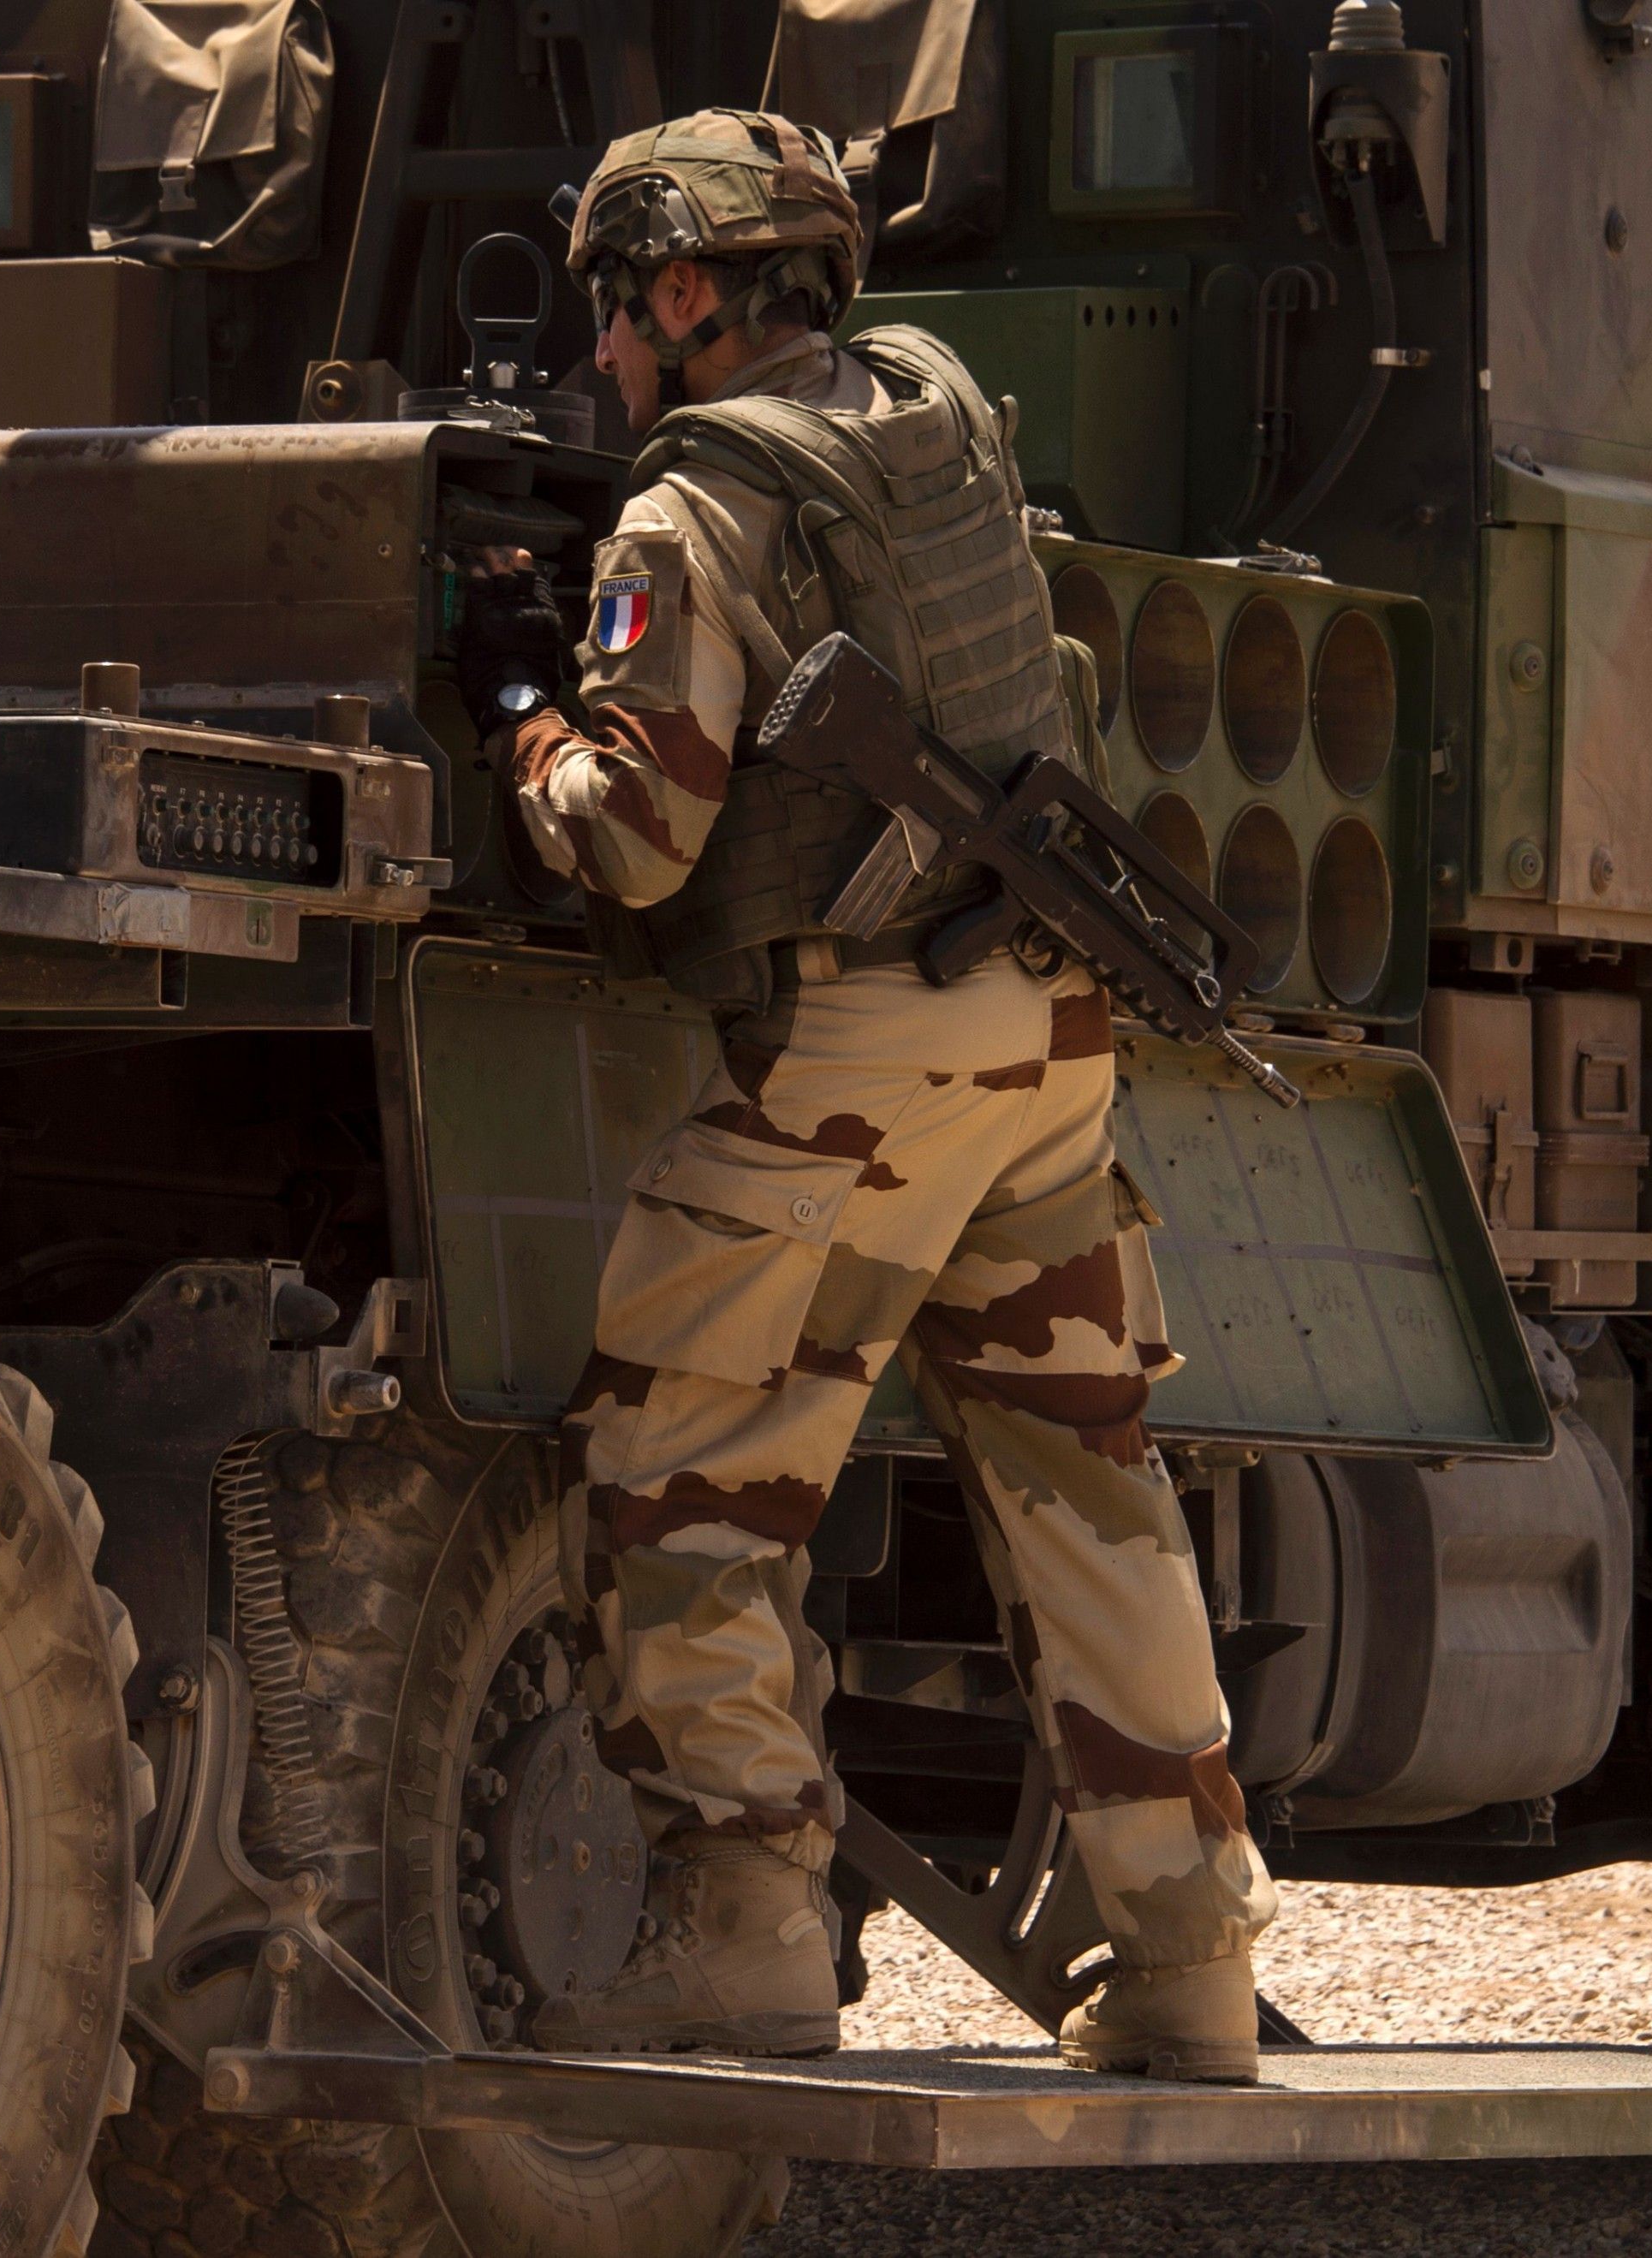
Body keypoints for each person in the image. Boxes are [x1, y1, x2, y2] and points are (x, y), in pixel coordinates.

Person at [455, 109, 1275, 2079]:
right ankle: (1186, 1970)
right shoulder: (939, 406)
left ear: (681, 292)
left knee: (687, 1472)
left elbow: (641, 843)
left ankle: (741, 1926)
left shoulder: (687, 510)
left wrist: (530, 730)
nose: (611, 361)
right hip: (1043, 1038)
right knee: (1090, 1491)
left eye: (621, 312)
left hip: (863, 1063)